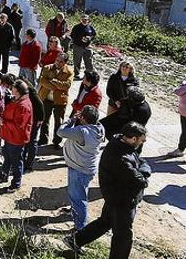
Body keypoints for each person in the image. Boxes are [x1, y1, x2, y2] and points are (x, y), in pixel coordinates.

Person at [65, 122, 151, 259]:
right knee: (123, 234)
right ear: (133, 139)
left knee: (105, 222)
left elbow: (141, 162)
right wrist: (145, 173)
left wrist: (142, 169)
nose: (142, 143)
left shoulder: (120, 144)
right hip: (122, 199)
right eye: (141, 140)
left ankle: (75, 240)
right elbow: (140, 181)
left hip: (115, 195)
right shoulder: (121, 157)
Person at [58, 105, 105, 232]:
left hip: (79, 170)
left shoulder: (81, 131)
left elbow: (60, 132)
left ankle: (80, 228)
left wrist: (71, 120)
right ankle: (75, 215)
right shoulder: (99, 128)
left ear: (83, 118)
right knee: (79, 195)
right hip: (86, 168)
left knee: (79, 199)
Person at [0, 79, 34, 192]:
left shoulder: (23, 105)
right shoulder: (17, 100)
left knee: (16, 161)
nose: (11, 89)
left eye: (13, 88)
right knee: (7, 156)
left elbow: (19, 125)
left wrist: (3, 122)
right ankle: (4, 174)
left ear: (18, 91)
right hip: (10, 135)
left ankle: (16, 183)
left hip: (16, 138)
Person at [37, 53, 73, 147]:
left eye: (61, 61)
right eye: (57, 60)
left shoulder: (69, 72)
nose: (58, 63)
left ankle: (57, 141)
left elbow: (66, 85)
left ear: (65, 63)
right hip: (46, 98)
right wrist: (56, 86)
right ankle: (43, 139)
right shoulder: (47, 68)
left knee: (59, 122)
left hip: (60, 100)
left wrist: (54, 82)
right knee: (45, 120)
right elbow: (42, 81)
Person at [23, 75, 45, 172]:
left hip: (35, 120)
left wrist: (40, 119)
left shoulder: (32, 94)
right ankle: (24, 161)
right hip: (29, 120)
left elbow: (40, 105)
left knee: (32, 142)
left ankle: (29, 164)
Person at [70, 14, 97, 80]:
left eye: (86, 19)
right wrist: (81, 38)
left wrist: (89, 38)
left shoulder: (90, 27)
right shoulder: (76, 27)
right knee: (77, 61)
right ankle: (77, 74)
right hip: (78, 46)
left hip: (87, 47)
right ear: (81, 20)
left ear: (88, 20)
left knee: (89, 61)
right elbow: (72, 36)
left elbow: (94, 35)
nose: (84, 21)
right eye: (83, 19)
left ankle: (88, 74)